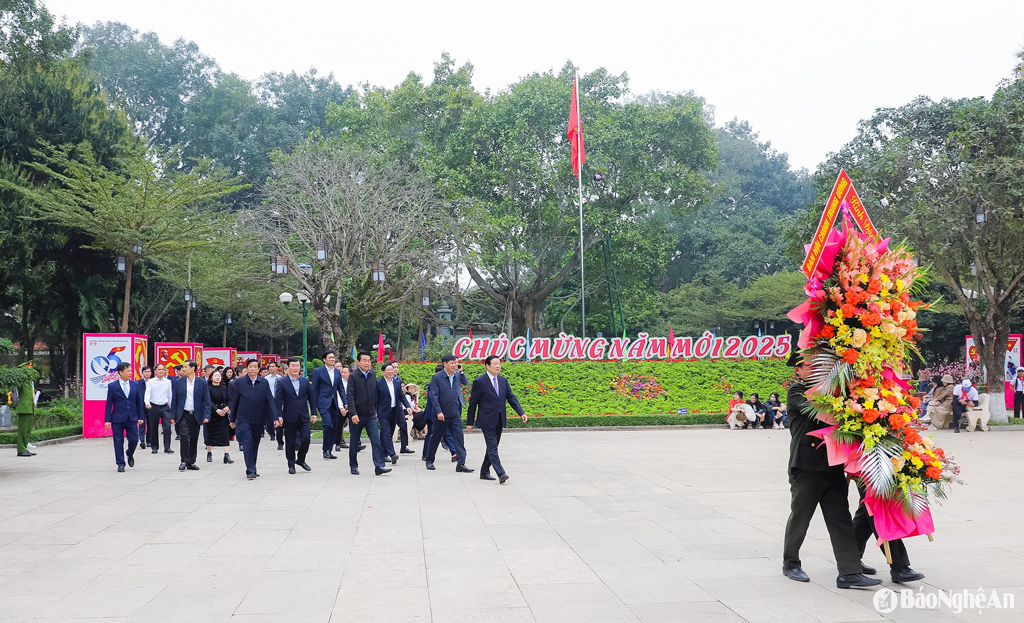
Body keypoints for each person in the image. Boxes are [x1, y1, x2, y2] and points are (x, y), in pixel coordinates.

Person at [782, 351, 880, 589]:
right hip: (805, 466)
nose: (815, 370)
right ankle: (790, 563)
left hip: (832, 465)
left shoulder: (834, 391)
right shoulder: (797, 391)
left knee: (841, 519)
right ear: (798, 370)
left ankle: (849, 572)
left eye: (819, 366)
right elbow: (821, 413)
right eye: (809, 366)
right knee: (801, 517)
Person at [467, 356, 526, 484]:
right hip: (486, 419)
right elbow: (473, 403)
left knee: (492, 447)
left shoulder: (503, 381)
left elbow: (511, 397)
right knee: (492, 446)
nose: (498, 366)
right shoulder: (480, 381)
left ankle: (484, 471)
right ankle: (501, 473)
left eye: (499, 363)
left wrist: (521, 412)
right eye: (495, 364)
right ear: (487, 366)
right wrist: (469, 422)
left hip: (499, 419)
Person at [852, 481, 926, 584]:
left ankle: (850, 559)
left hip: (877, 468)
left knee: (867, 511)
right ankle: (899, 566)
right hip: (868, 469)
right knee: (878, 510)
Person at [229, 358, 282, 480]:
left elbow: (270, 401)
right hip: (244, 418)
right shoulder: (240, 382)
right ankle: (250, 470)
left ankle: (253, 466)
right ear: (247, 368)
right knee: (247, 443)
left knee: (255, 444)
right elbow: (235, 401)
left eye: (255, 367)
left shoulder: (263, 382)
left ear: (259, 369)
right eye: (250, 366)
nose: (252, 369)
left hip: (259, 419)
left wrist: (275, 417)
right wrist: (233, 420)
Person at [425, 354, 473, 473]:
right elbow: (434, 396)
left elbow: (465, 382)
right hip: (441, 414)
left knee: (459, 438)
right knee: (435, 437)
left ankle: (461, 463)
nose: (454, 365)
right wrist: (438, 411)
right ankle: (429, 460)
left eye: (456, 362)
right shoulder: (437, 377)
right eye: (452, 363)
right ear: (445, 364)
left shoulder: (457, 375)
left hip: (454, 413)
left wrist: (461, 372)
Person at [346, 351, 389, 475]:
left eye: (369, 360)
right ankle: (353, 466)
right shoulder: (353, 376)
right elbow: (350, 396)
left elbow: (375, 393)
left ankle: (379, 466)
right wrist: (353, 413)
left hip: (370, 415)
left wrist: (374, 409)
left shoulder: (372, 374)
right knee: (354, 441)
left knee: (376, 440)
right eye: (364, 360)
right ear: (358, 362)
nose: (367, 363)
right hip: (357, 415)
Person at [170, 359, 211, 472]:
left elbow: (206, 400)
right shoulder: (179, 382)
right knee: (184, 436)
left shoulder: (202, 383)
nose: (183, 369)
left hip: (196, 415)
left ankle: (191, 461)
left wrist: (207, 415)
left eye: (185, 367)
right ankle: (184, 460)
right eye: (182, 367)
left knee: (194, 438)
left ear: (193, 368)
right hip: (183, 414)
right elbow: (174, 400)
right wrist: (172, 415)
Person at [277, 357, 317, 474]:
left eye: (297, 366)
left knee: (306, 439)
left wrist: (313, 413)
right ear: (288, 367)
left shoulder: (305, 381)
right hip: (289, 417)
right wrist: (279, 416)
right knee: (290, 441)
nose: (295, 368)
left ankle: (300, 459)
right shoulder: (282, 382)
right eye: (293, 366)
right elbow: (278, 401)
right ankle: (291, 464)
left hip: (303, 416)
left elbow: (311, 398)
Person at [104, 362, 145, 472]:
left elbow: (139, 402)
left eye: (131, 371)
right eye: (128, 371)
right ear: (120, 372)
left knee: (134, 440)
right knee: (118, 441)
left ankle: (129, 453)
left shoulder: (135, 385)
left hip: (132, 418)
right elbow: (109, 404)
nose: (130, 373)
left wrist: (141, 417)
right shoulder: (112, 386)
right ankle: (120, 463)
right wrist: (107, 420)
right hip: (117, 418)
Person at [376, 362, 413, 464]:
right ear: (383, 372)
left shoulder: (397, 382)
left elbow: (401, 396)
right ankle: (392, 454)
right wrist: (375, 411)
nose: (391, 372)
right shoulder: (379, 383)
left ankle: (383, 454)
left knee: (388, 432)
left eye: (392, 370)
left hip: (394, 411)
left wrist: (408, 407)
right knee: (386, 432)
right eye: (388, 370)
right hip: (383, 412)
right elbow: (375, 398)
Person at [311, 351, 344, 460]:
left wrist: (345, 402)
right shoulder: (318, 371)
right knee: (328, 425)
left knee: (334, 426)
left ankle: (329, 449)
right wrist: (314, 407)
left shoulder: (337, 372)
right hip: (323, 403)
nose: (332, 359)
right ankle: (325, 449)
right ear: (324, 359)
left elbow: (341, 389)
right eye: (330, 357)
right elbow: (314, 390)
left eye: (333, 357)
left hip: (334, 402)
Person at [145, 364, 175, 454]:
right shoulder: (151, 381)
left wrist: (170, 405)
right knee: (153, 427)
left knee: (167, 427)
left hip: (165, 406)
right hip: (154, 406)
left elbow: (170, 394)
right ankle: (154, 447)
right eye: (159, 369)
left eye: (163, 369)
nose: (161, 371)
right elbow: (147, 393)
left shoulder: (168, 382)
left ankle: (167, 447)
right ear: (155, 371)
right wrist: (147, 403)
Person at [205, 369, 233, 464]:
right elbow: (208, 401)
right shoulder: (207, 388)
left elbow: (229, 399)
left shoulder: (224, 388)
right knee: (210, 434)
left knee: (225, 434)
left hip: (223, 414)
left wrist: (227, 407)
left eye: (219, 376)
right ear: (211, 377)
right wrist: (216, 410)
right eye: (215, 375)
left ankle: (226, 455)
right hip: (212, 414)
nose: (217, 377)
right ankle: (209, 452)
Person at [14, 362, 37, 457]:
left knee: (27, 431)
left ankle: (25, 448)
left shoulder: (29, 381)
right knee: (22, 430)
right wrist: (20, 372)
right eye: (28, 369)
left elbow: (32, 392)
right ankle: (21, 449)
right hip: (24, 408)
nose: (30, 371)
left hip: (30, 407)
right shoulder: (21, 380)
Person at [264, 362, 284, 450]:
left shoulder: (281, 379)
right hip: (269, 400)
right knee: (269, 418)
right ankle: (272, 434)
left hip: (279, 400)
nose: (271, 368)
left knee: (279, 419)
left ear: (277, 368)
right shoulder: (265, 379)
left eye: (273, 366)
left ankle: (280, 441)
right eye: (270, 367)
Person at [333, 362, 352, 451]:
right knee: (339, 425)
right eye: (342, 372)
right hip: (341, 407)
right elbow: (338, 395)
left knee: (354, 425)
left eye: (345, 372)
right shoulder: (339, 381)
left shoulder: (352, 382)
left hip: (351, 407)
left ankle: (357, 443)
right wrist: (341, 407)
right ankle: (337, 444)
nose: (343, 374)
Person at [137, 366, 152, 449]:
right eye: (145, 372)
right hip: (141, 406)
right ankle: (142, 440)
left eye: (149, 371)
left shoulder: (153, 382)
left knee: (150, 424)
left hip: (151, 406)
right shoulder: (138, 383)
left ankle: (149, 441)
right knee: (142, 423)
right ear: (142, 373)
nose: (147, 373)